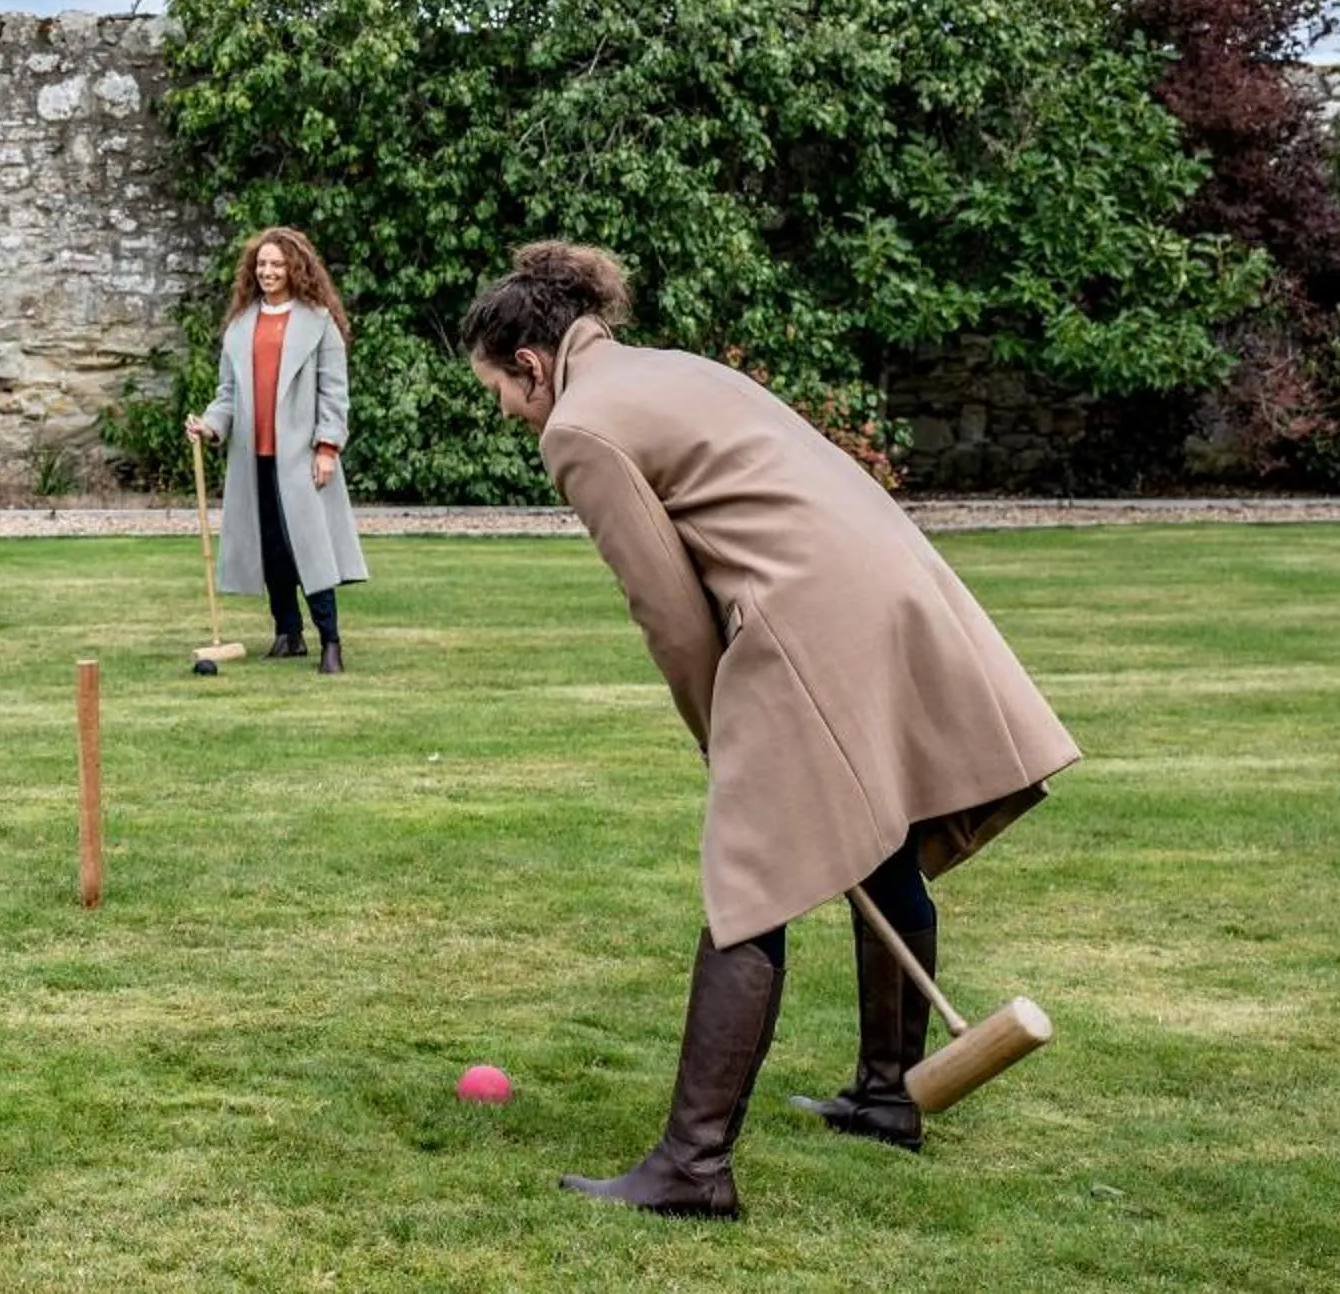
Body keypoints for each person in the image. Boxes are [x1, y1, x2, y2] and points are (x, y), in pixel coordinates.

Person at [461, 241, 1080, 1220]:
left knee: (751, 879)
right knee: (875, 841)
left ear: (530, 363)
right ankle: (887, 1095)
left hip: (808, 612)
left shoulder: (579, 424)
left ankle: (691, 1166)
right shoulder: (668, 367)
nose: (505, 409)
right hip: (891, 583)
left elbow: (665, 607)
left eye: (498, 387)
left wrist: (720, 733)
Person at [184, 227, 367, 673]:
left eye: (276, 265)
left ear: (295, 269)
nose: (267, 272)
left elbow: (334, 394)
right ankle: (287, 634)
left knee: (310, 549)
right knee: (272, 550)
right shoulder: (241, 326)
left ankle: (330, 642)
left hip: (302, 457)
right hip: (254, 458)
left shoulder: (319, 323)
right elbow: (227, 394)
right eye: (261, 264)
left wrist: (327, 448)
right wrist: (210, 426)